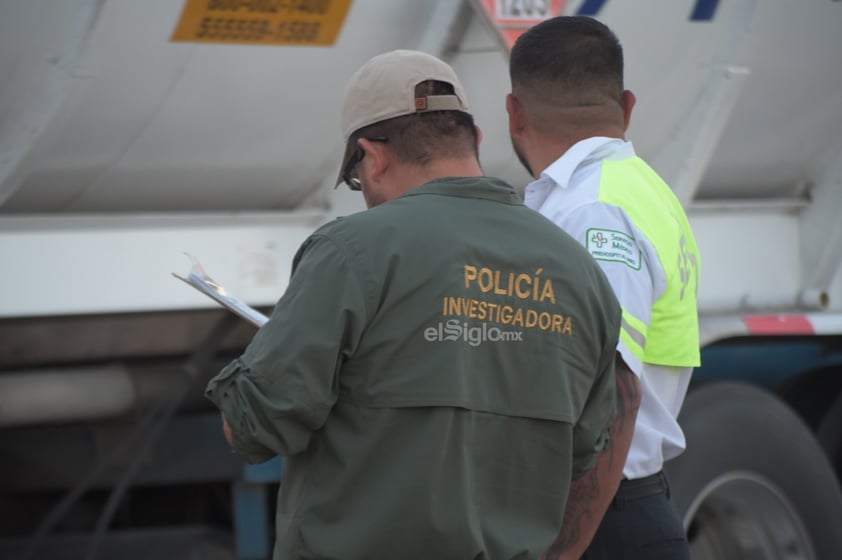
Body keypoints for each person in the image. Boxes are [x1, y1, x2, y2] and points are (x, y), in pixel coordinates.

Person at [205, 49, 623, 559]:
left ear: (372, 156)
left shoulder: (350, 252)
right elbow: (583, 454)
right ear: (475, 139)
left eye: (357, 178)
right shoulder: (580, 272)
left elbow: (254, 426)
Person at [507, 16, 701, 560]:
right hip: (623, 511)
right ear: (628, 105)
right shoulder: (644, 191)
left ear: (513, 113)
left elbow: (614, 396)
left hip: (597, 523)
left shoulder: (594, 209)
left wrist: (561, 551)